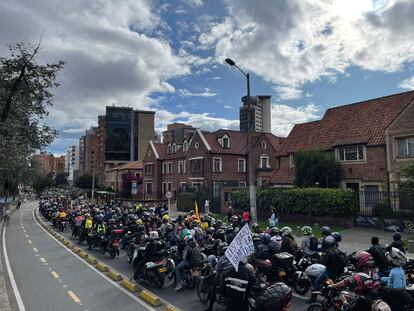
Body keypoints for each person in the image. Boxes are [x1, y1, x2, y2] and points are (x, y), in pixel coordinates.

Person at [309, 236, 345, 303]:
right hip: (339, 272)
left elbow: (324, 262)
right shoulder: (337, 250)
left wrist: (319, 260)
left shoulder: (328, 251)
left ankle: (312, 300)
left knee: (317, 281)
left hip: (330, 271)